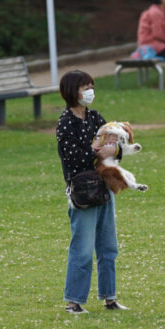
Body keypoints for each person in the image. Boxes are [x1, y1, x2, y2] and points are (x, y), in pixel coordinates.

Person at [56, 70, 129, 314]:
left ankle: (110, 297)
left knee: (108, 247)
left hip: (104, 188)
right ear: (72, 92)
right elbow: (72, 157)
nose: (90, 91)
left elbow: (114, 141)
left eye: (92, 86)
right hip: (83, 193)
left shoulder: (95, 117)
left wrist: (114, 151)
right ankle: (74, 301)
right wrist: (97, 152)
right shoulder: (66, 122)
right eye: (85, 87)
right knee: (83, 248)